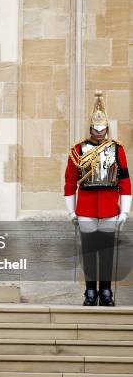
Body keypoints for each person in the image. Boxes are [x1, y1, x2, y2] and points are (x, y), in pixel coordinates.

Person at [65, 91, 131, 306]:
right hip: (86, 208)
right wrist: (71, 210)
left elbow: (124, 181)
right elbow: (70, 182)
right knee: (89, 252)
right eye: (96, 128)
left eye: (103, 129)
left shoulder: (117, 149)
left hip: (110, 207)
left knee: (107, 252)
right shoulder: (78, 149)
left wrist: (125, 210)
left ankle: (105, 291)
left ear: (107, 128)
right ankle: (90, 291)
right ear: (90, 128)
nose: (99, 132)